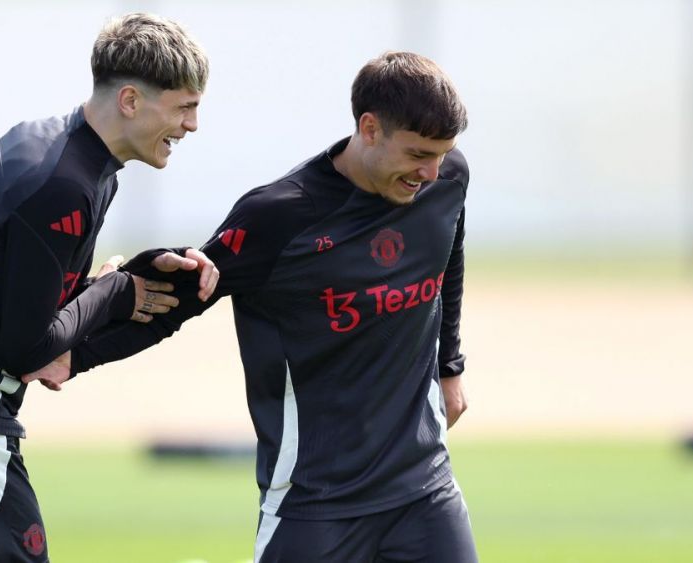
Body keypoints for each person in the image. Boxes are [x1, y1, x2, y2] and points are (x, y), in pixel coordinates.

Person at [34, 51, 478, 562]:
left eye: (443, 155)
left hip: (425, 490)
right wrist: (77, 355)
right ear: (370, 128)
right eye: (418, 154)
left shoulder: (446, 180)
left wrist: (450, 367)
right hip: (314, 503)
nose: (432, 171)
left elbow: (447, 253)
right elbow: (179, 298)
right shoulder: (281, 216)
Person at [0, 13, 218, 562]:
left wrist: (107, 288)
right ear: (130, 100)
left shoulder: (48, 146)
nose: (193, 125)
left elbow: (18, 304)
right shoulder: (64, 184)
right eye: (184, 107)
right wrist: (118, 292)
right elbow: (24, 347)